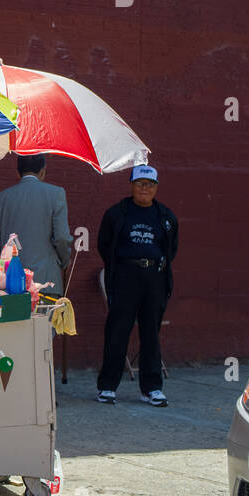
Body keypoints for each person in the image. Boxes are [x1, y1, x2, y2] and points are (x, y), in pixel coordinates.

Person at [96, 165, 178, 407]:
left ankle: (151, 388)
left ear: (156, 188)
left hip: (154, 277)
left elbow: (171, 249)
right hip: (124, 276)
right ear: (131, 185)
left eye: (150, 184)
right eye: (140, 183)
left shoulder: (165, 216)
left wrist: (155, 266)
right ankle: (107, 387)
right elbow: (104, 244)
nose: (145, 188)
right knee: (117, 331)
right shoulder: (116, 214)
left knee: (151, 333)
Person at [0, 155, 72, 297]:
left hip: (10, 282)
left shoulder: (1, 198)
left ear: (17, 172)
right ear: (43, 171)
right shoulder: (56, 194)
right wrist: (65, 261)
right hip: (46, 281)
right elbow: (61, 237)